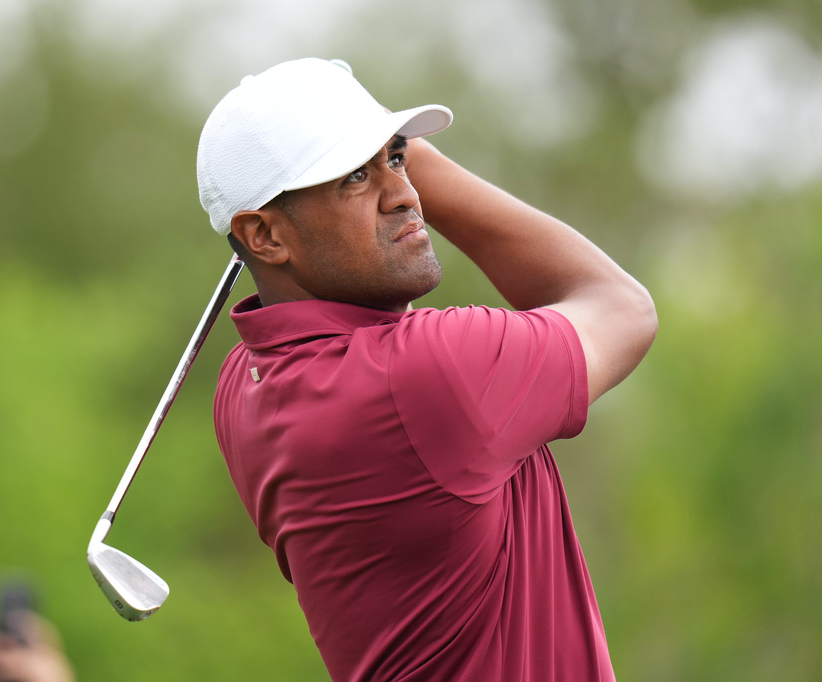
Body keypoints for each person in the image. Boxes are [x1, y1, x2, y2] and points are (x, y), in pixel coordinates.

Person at [197, 58, 657, 681]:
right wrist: (406, 153)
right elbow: (622, 308)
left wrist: (372, 152)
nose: (408, 194)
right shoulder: (424, 372)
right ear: (265, 237)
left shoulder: (241, 386)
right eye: (354, 176)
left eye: (397, 159)